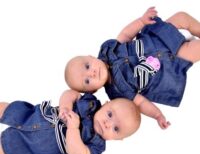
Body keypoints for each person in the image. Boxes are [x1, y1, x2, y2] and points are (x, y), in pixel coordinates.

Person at [65, 7, 200, 129]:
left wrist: (141, 21)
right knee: (195, 49)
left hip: (157, 38)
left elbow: (126, 35)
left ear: (91, 57)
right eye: (87, 81)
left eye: (87, 66)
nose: (92, 73)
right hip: (168, 66)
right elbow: (140, 102)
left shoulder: (107, 49)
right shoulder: (116, 93)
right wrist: (157, 115)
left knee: (181, 17)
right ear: (93, 90)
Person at [0, 89, 141, 154]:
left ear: (118, 139)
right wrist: (65, 107)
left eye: (116, 129)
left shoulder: (96, 146)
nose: (108, 123)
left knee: (7, 150)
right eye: (110, 114)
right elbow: (70, 94)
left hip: (38, 151)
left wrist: (73, 129)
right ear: (105, 105)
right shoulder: (90, 103)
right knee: (8, 109)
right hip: (36, 117)